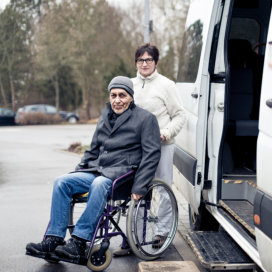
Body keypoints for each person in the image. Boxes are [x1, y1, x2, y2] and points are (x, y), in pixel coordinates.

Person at [26, 76, 161, 261]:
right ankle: (54, 239)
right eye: (113, 95)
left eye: (122, 95)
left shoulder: (146, 119)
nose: (117, 100)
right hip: (98, 170)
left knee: (99, 184)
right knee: (62, 182)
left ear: (131, 97)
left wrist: (140, 187)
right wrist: (78, 171)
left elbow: (151, 155)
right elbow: (93, 149)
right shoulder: (105, 117)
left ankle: (80, 241)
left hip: (124, 176)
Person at [113, 44, 186, 256]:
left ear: (155, 62)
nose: (144, 64)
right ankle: (132, 238)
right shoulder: (130, 85)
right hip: (136, 148)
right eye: (140, 60)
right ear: (136, 62)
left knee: (162, 189)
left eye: (148, 60)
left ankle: (162, 233)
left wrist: (166, 132)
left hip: (161, 145)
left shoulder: (167, 85)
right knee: (136, 190)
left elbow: (180, 115)